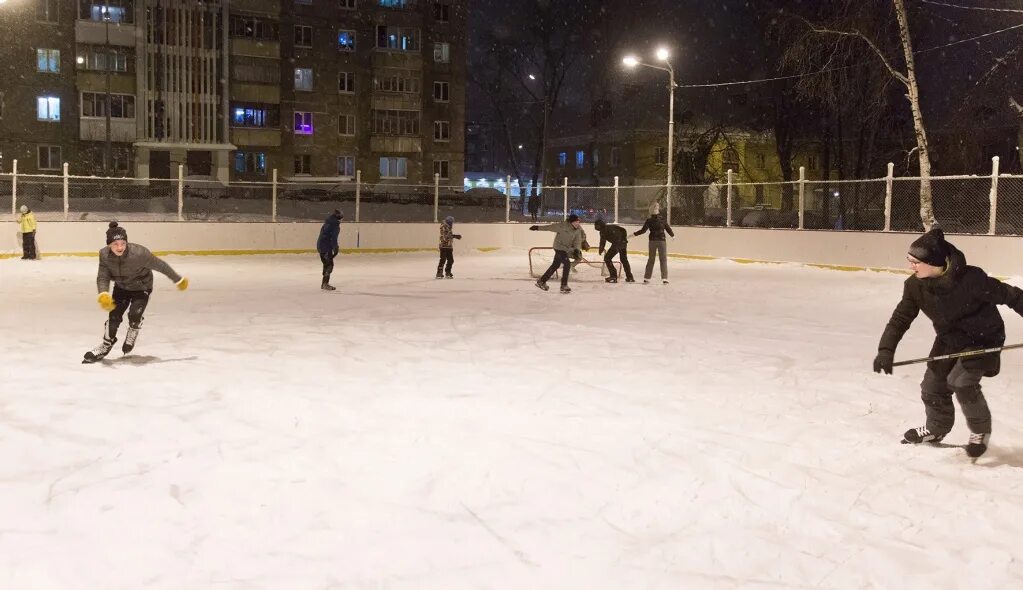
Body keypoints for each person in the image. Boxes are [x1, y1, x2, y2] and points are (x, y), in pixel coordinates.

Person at [873, 227, 1023, 459]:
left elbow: (1012, 296)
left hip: (983, 338)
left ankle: (980, 433)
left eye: (915, 262)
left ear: (933, 262)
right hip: (949, 339)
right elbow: (901, 318)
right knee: (932, 387)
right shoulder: (914, 286)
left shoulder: (972, 279)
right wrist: (886, 349)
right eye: (909, 260)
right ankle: (936, 428)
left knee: (961, 382)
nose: (911, 266)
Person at [84, 222, 188, 363]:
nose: (120, 247)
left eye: (123, 243)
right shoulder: (104, 255)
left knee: (134, 313)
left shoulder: (139, 253)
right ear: (109, 245)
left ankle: (134, 327)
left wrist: (177, 279)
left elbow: (160, 266)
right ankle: (106, 344)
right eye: (115, 244)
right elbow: (103, 276)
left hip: (141, 287)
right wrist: (103, 293)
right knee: (113, 317)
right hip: (121, 287)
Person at [529, 214, 585, 294]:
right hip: (558, 247)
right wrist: (537, 228)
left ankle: (542, 281)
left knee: (555, 265)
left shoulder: (578, 229)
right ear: (571, 222)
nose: (577, 223)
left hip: (566, 249)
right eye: (576, 222)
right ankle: (564, 285)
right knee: (567, 264)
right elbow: (549, 227)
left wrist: (576, 250)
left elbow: (577, 241)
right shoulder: (562, 226)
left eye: (578, 222)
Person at [634, 212, 675, 284]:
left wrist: (634, 234)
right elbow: (668, 229)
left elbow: (643, 231)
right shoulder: (662, 220)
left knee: (651, 259)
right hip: (661, 241)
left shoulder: (649, 220)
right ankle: (664, 278)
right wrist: (672, 235)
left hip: (652, 241)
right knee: (663, 259)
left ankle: (647, 278)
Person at [594, 218, 634, 283]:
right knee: (624, 259)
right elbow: (623, 230)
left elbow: (602, 242)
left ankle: (613, 276)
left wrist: (600, 250)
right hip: (623, 243)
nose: (595, 227)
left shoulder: (603, 231)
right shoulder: (610, 226)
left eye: (596, 225)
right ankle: (630, 277)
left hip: (617, 244)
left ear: (599, 225)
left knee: (607, 258)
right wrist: (623, 239)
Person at [317, 209, 343, 291]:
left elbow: (322, 234)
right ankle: (325, 284)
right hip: (326, 247)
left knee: (326, 264)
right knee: (329, 265)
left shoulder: (327, 223)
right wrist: (336, 248)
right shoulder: (335, 225)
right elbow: (333, 238)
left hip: (321, 246)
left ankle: (324, 283)